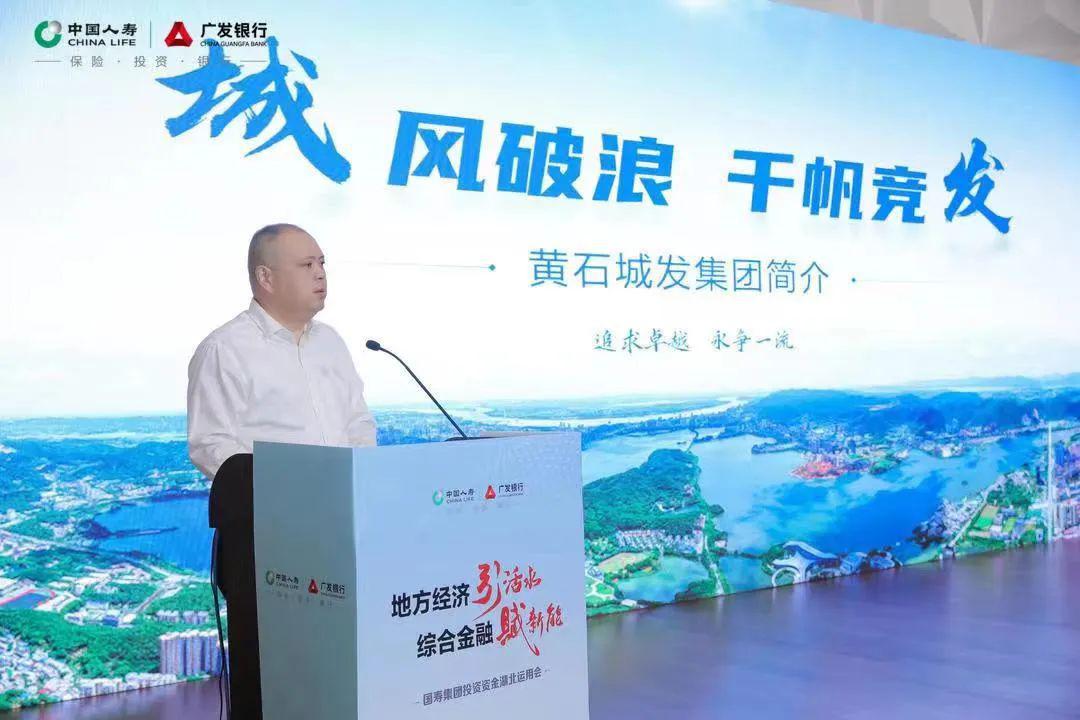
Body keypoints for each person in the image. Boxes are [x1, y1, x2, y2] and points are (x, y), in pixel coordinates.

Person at [187, 223, 377, 717]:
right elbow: (211, 446)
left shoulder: (331, 343)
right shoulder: (225, 349)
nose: (321, 274)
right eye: (306, 265)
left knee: (338, 680)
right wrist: (287, 490)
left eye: (322, 263)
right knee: (272, 689)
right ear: (265, 277)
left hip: (339, 537)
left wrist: (362, 478)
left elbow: (358, 422)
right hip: (267, 547)